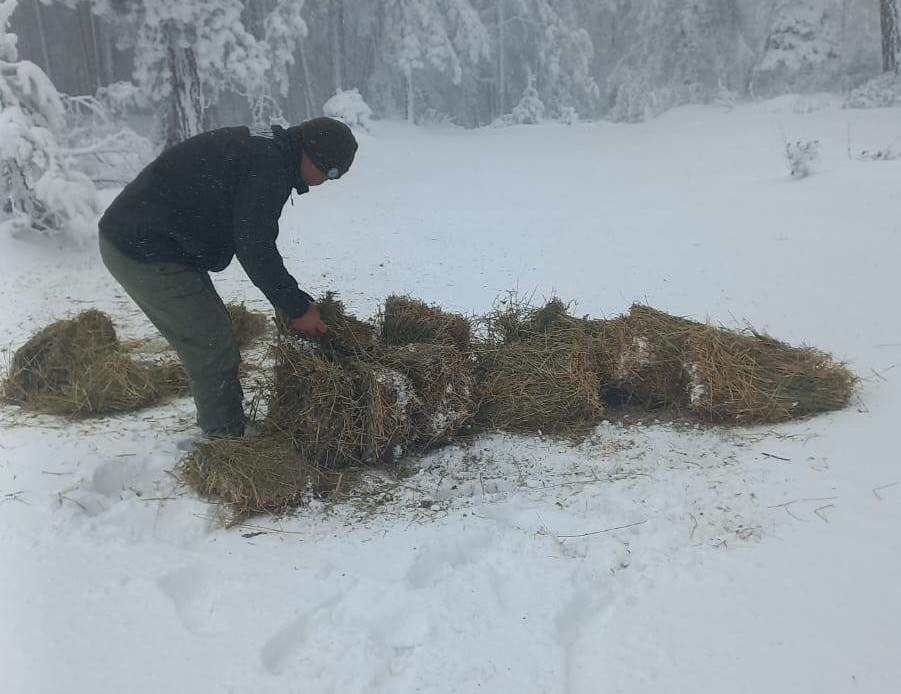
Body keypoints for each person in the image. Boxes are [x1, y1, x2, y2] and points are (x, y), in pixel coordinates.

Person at [98, 117, 358, 438]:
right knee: (212, 344)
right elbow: (254, 247)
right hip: (142, 247)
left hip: (158, 238)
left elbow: (251, 236)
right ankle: (226, 442)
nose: (325, 183)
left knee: (214, 329)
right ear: (313, 155)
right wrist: (297, 308)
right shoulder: (269, 166)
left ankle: (227, 424)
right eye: (330, 174)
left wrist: (294, 301)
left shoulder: (272, 149)